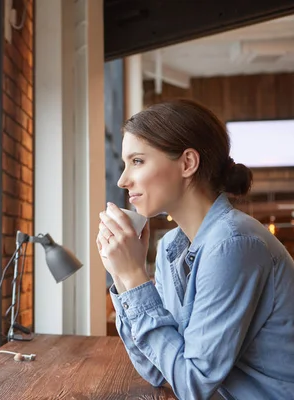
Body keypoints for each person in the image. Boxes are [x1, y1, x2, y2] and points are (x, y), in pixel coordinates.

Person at [96, 99, 294, 400]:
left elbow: (192, 384)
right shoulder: (169, 249)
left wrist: (135, 276)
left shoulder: (234, 244)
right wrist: (121, 276)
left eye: (137, 161)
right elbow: (157, 369)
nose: (123, 180)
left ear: (187, 163)